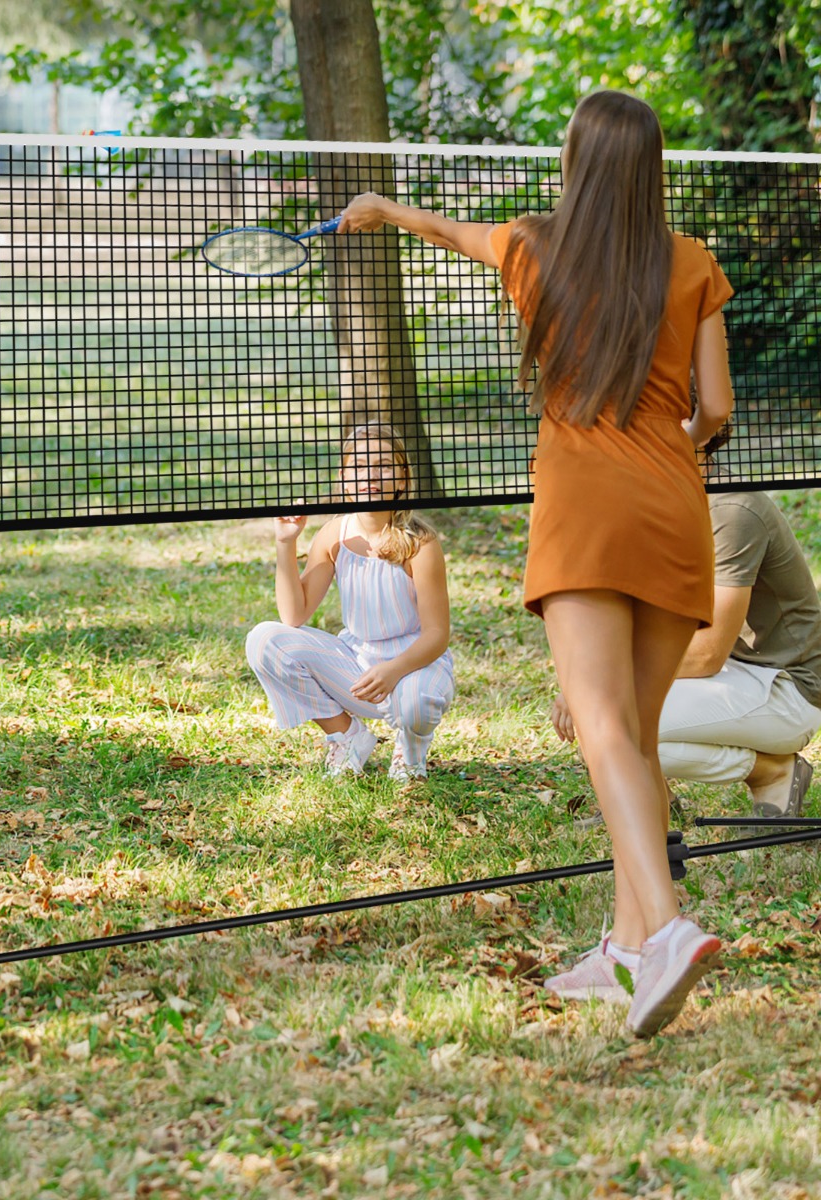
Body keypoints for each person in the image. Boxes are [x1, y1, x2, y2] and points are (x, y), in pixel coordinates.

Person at [339, 90, 735, 1037]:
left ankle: (669, 930)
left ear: (575, 162)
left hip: (584, 512)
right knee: (632, 741)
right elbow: (715, 406)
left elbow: (449, 230)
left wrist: (384, 211)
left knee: (601, 730)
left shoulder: (531, 246)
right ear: (653, 167)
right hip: (674, 505)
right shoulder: (694, 264)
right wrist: (670, 442)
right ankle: (628, 948)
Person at [550, 428, 821, 821]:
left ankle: (773, 770)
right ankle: (649, 800)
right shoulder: (658, 497)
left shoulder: (732, 509)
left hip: (791, 688)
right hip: (737, 672)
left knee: (611, 720)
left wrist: (601, 680)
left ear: (701, 431)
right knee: (601, 720)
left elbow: (709, 652)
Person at [245, 423, 455, 783]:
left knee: (416, 705)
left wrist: (394, 670)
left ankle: (411, 751)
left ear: (403, 477)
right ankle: (348, 736)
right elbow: (294, 614)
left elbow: (437, 634)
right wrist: (286, 543)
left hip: (416, 664)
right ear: (343, 477)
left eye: (384, 465)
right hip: (357, 667)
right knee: (264, 639)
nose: (370, 475)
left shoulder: (421, 543)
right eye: (358, 465)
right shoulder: (333, 534)